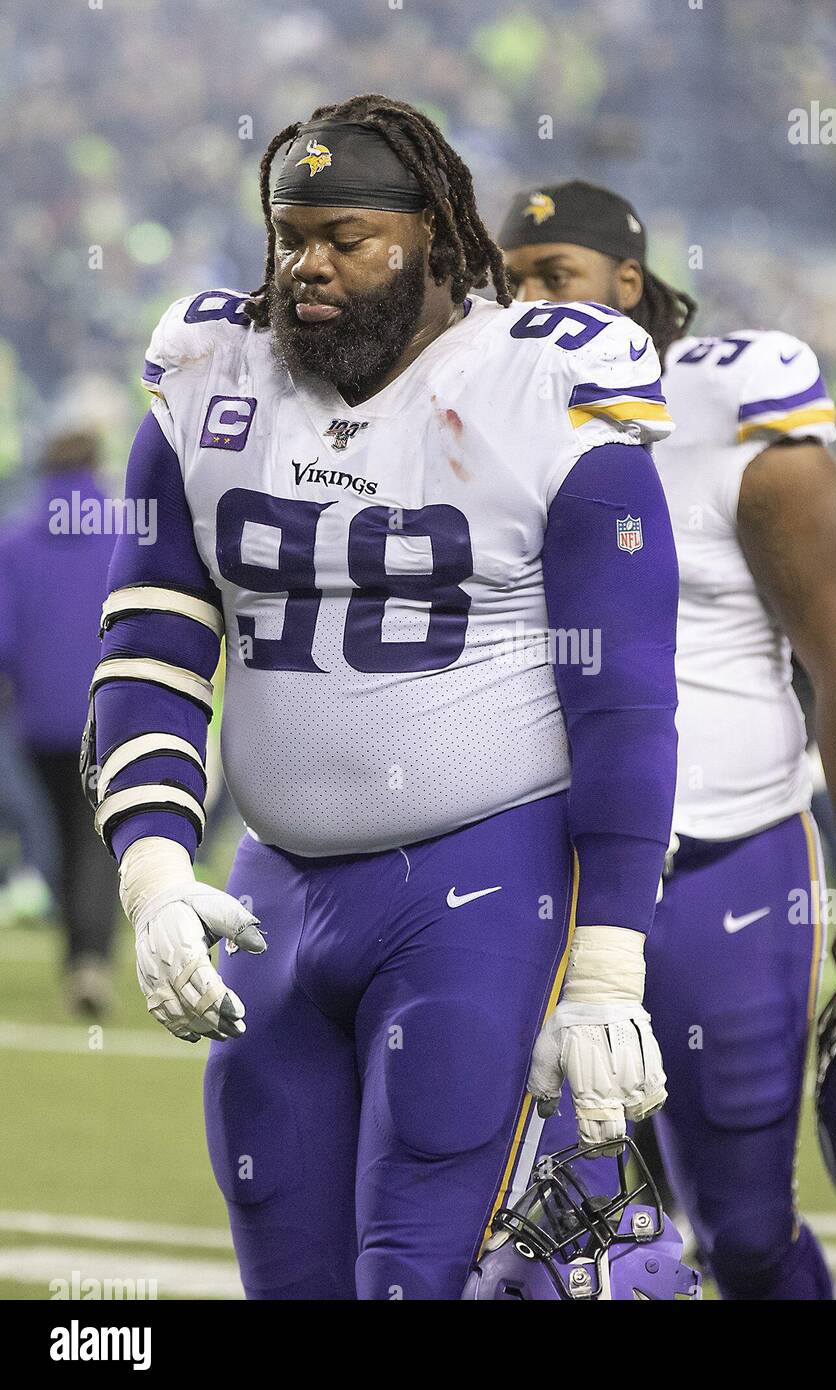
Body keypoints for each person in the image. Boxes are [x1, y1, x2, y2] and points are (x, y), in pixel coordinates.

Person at [86, 97, 676, 1300]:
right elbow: (151, 638)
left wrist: (610, 965)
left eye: (346, 238)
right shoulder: (211, 369)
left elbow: (621, 692)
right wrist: (151, 868)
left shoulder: (548, 383)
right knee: (286, 1272)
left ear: (436, 241)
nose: (307, 266)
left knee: (415, 1270)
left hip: (479, 884)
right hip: (277, 891)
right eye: (290, 234)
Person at [500, 180, 836, 1300]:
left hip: (726, 866)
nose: (527, 302)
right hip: (551, 875)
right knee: (547, 1232)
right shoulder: (481, 415)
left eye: (555, 277)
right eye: (510, 282)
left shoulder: (739, 415)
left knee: (741, 1229)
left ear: (627, 288)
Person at [0, 412, 118, 1013]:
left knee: (63, 841)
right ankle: (91, 960)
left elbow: (3, 638)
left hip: (38, 723)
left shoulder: (14, 539)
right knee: (96, 838)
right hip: (111, 711)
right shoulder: (126, 533)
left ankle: (79, 956)